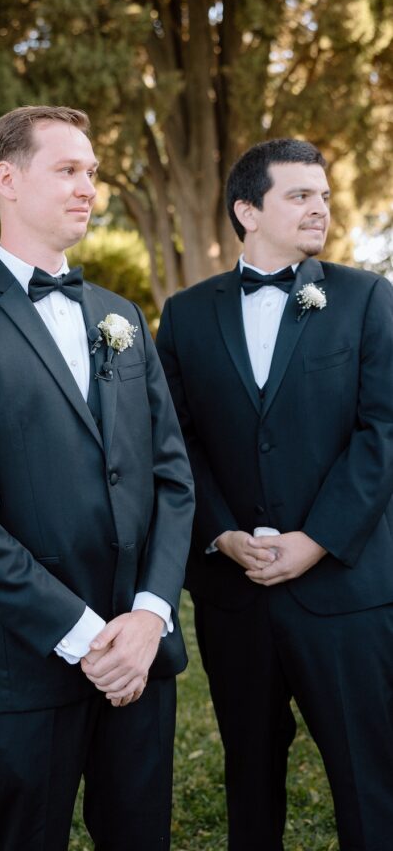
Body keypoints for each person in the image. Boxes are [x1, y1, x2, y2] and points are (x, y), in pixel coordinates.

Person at [0, 105, 195, 851]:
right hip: (22, 663)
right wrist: (89, 639)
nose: (87, 188)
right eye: (67, 170)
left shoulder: (119, 314)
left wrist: (149, 614)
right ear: (7, 179)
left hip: (140, 649)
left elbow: (171, 477)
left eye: (91, 173)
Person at [156, 138, 393, 851]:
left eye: (321, 195)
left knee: (369, 779)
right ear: (246, 210)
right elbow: (175, 443)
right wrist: (221, 533)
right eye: (298, 195)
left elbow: (381, 429)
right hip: (237, 593)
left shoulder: (365, 299)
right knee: (247, 775)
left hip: (345, 591)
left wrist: (315, 539)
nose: (318, 207)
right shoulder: (186, 314)